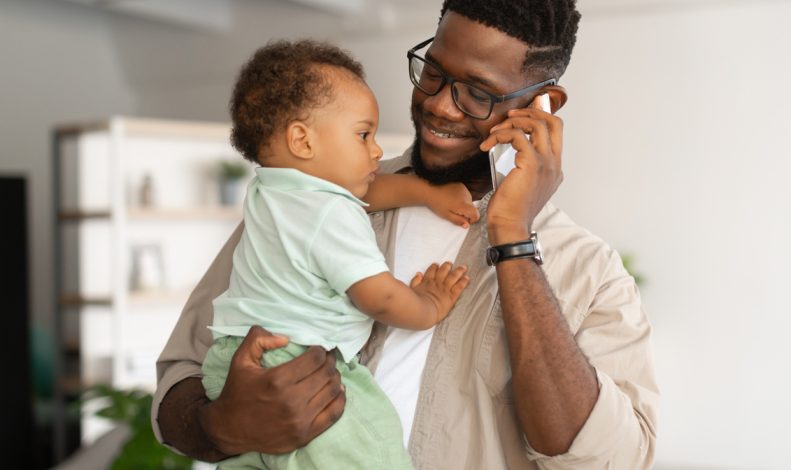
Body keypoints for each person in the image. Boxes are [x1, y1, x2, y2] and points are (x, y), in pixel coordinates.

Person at [152, 0, 660, 468]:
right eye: (433, 73)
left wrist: (512, 237)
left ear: (542, 105)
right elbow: (180, 377)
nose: (440, 105)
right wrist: (222, 425)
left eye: (478, 93)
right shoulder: (311, 198)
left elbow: (607, 460)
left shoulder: (590, 271)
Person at [199, 39, 477, 469]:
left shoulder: (272, 191)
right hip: (302, 369)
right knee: (374, 452)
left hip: (233, 366)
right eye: (363, 134)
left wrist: (425, 193)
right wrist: (429, 304)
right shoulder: (330, 214)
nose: (378, 151)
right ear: (302, 141)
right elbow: (378, 296)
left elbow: (365, 194)